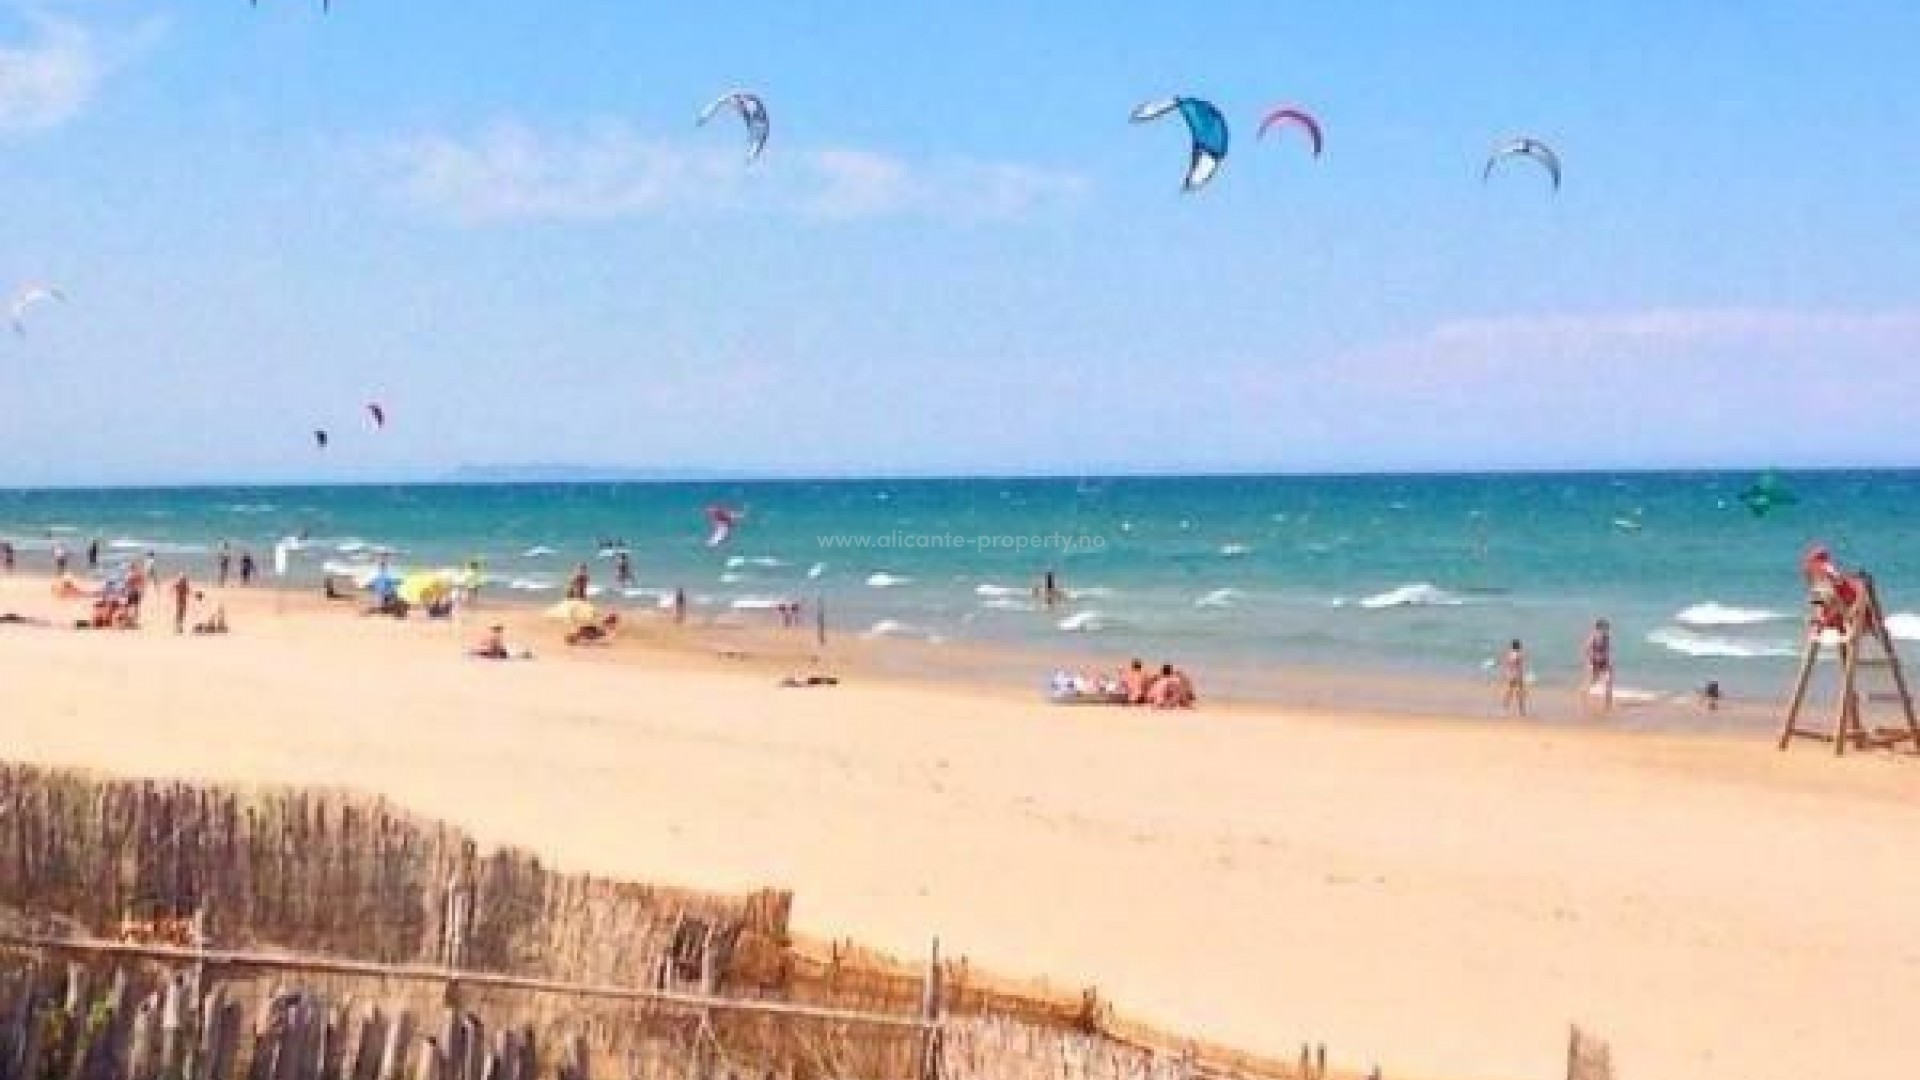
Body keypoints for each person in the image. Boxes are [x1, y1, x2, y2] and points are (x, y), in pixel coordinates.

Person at [1582, 618, 1614, 714]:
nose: (1606, 630)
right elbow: (1586, 650)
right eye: (1605, 628)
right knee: (1591, 682)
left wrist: (1609, 661)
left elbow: (1607, 650)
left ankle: (1608, 707)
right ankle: (1583, 699)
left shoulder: (1607, 637)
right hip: (1595, 663)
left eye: (1607, 628)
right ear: (1599, 628)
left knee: (1608, 682)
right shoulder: (1593, 638)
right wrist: (1590, 662)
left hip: (1605, 662)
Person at [1500, 639, 1528, 716]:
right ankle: (1521, 711)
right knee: (1520, 693)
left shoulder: (1510, 654)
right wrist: (1521, 676)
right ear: (1518, 646)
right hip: (1517, 675)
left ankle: (1504, 709)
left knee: (1509, 692)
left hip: (1510, 675)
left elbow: (1507, 664)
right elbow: (1520, 667)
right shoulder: (1519, 654)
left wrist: (1506, 674)